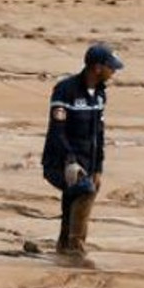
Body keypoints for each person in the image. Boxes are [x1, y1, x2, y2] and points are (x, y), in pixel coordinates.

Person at [42, 43, 124, 260]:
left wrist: (98, 168)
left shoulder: (99, 94)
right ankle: (76, 248)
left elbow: (99, 134)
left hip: (87, 162)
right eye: (111, 67)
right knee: (84, 190)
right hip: (58, 161)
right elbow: (56, 132)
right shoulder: (65, 90)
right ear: (97, 68)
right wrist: (70, 161)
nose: (114, 72)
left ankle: (63, 246)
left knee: (81, 192)